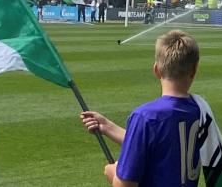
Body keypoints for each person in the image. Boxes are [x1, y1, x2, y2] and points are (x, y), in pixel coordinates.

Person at [79, 30, 203, 187]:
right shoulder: (199, 109)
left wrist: (113, 173)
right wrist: (107, 126)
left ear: (156, 70)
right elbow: (151, 143)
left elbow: (125, 184)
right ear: (194, 70)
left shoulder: (145, 116)